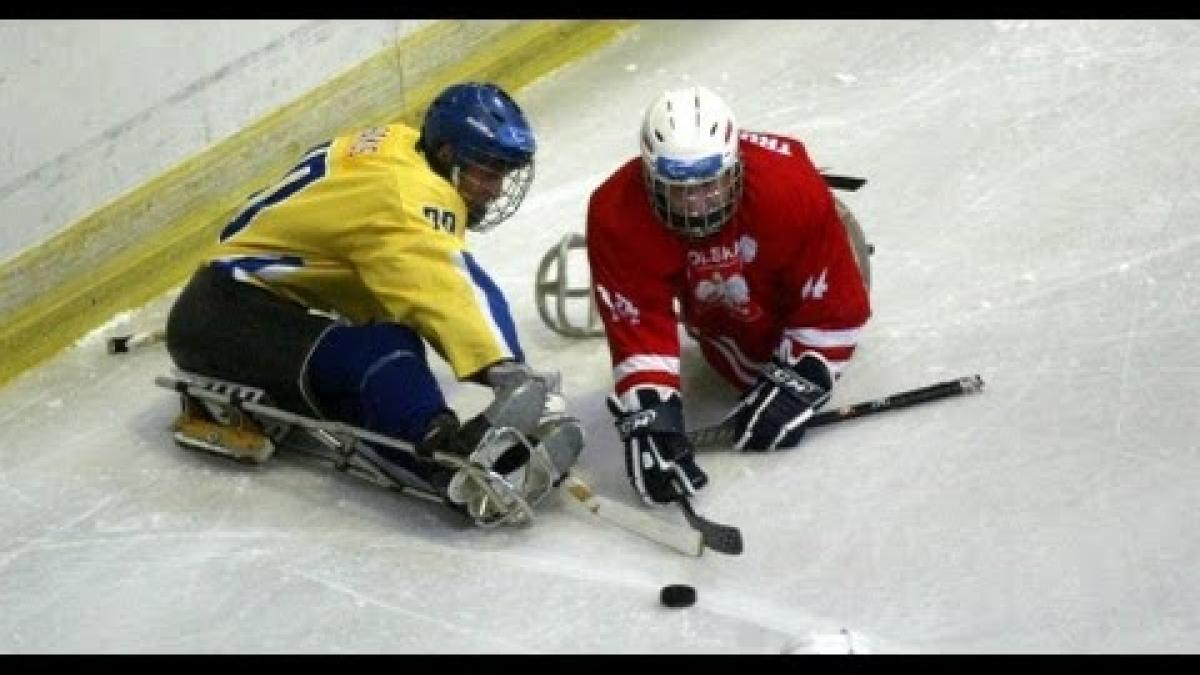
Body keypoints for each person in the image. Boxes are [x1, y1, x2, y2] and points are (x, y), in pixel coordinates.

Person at [165, 81, 580, 524]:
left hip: (237, 298)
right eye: (488, 170)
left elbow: (396, 273)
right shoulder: (408, 198)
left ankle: (442, 437)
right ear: (446, 154)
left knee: (390, 335)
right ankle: (441, 459)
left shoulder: (398, 146)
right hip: (226, 317)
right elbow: (446, 283)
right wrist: (506, 367)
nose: (496, 190)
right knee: (378, 353)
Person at [585, 85, 871, 506]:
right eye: (681, 190)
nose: (698, 205)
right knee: (741, 364)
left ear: (736, 167)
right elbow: (641, 324)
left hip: (789, 226)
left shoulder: (788, 190)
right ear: (649, 176)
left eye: (711, 184)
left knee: (762, 357)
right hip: (730, 276)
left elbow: (836, 309)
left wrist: (801, 380)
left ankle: (834, 218)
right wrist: (650, 413)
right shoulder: (616, 212)